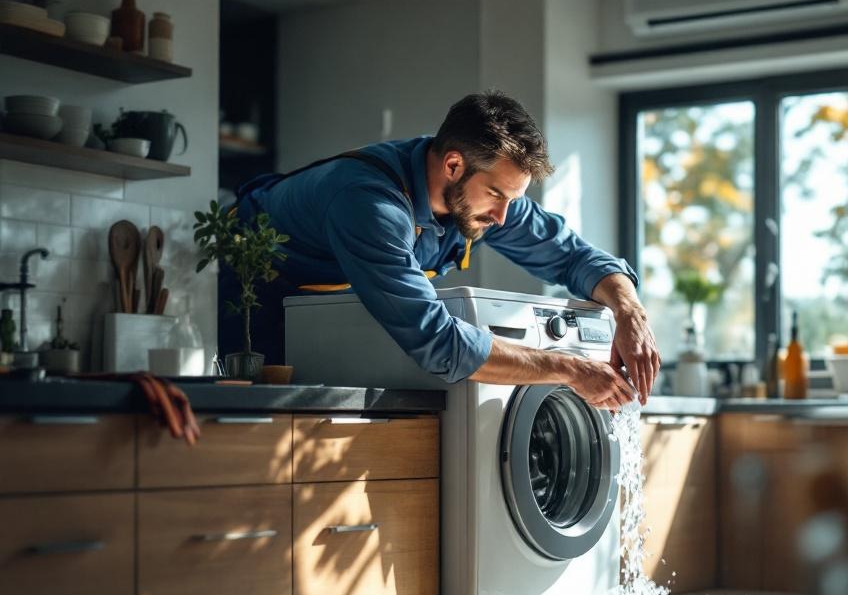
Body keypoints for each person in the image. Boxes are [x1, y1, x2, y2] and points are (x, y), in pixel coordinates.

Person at [224, 90, 660, 407]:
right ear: (453, 165)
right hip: (248, 306)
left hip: (333, 323)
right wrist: (567, 368)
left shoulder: (483, 198)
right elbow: (438, 341)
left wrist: (629, 313)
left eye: (514, 199)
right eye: (496, 196)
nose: (504, 217)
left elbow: (573, 256)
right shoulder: (370, 205)